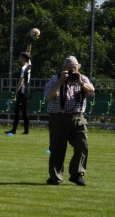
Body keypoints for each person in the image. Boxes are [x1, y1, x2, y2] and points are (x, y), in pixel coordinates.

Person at [44, 56, 93, 186]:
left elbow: (91, 90)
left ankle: (77, 174)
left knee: (83, 146)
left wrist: (80, 83)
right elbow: (49, 96)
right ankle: (55, 177)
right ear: (64, 68)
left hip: (78, 117)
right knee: (57, 149)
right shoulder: (55, 79)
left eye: (75, 68)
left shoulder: (82, 78)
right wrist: (61, 81)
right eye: (70, 68)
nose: (73, 71)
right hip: (58, 117)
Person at [7, 52, 32, 135]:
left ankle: (26, 130)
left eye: (20, 57)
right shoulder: (29, 64)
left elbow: (21, 82)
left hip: (23, 92)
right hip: (26, 91)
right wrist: (30, 43)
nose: (19, 59)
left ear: (24, 59)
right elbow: (28, 53)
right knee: (17, 110)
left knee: (23, 111)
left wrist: (15, 92)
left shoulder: (23, 68)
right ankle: (14, 130)